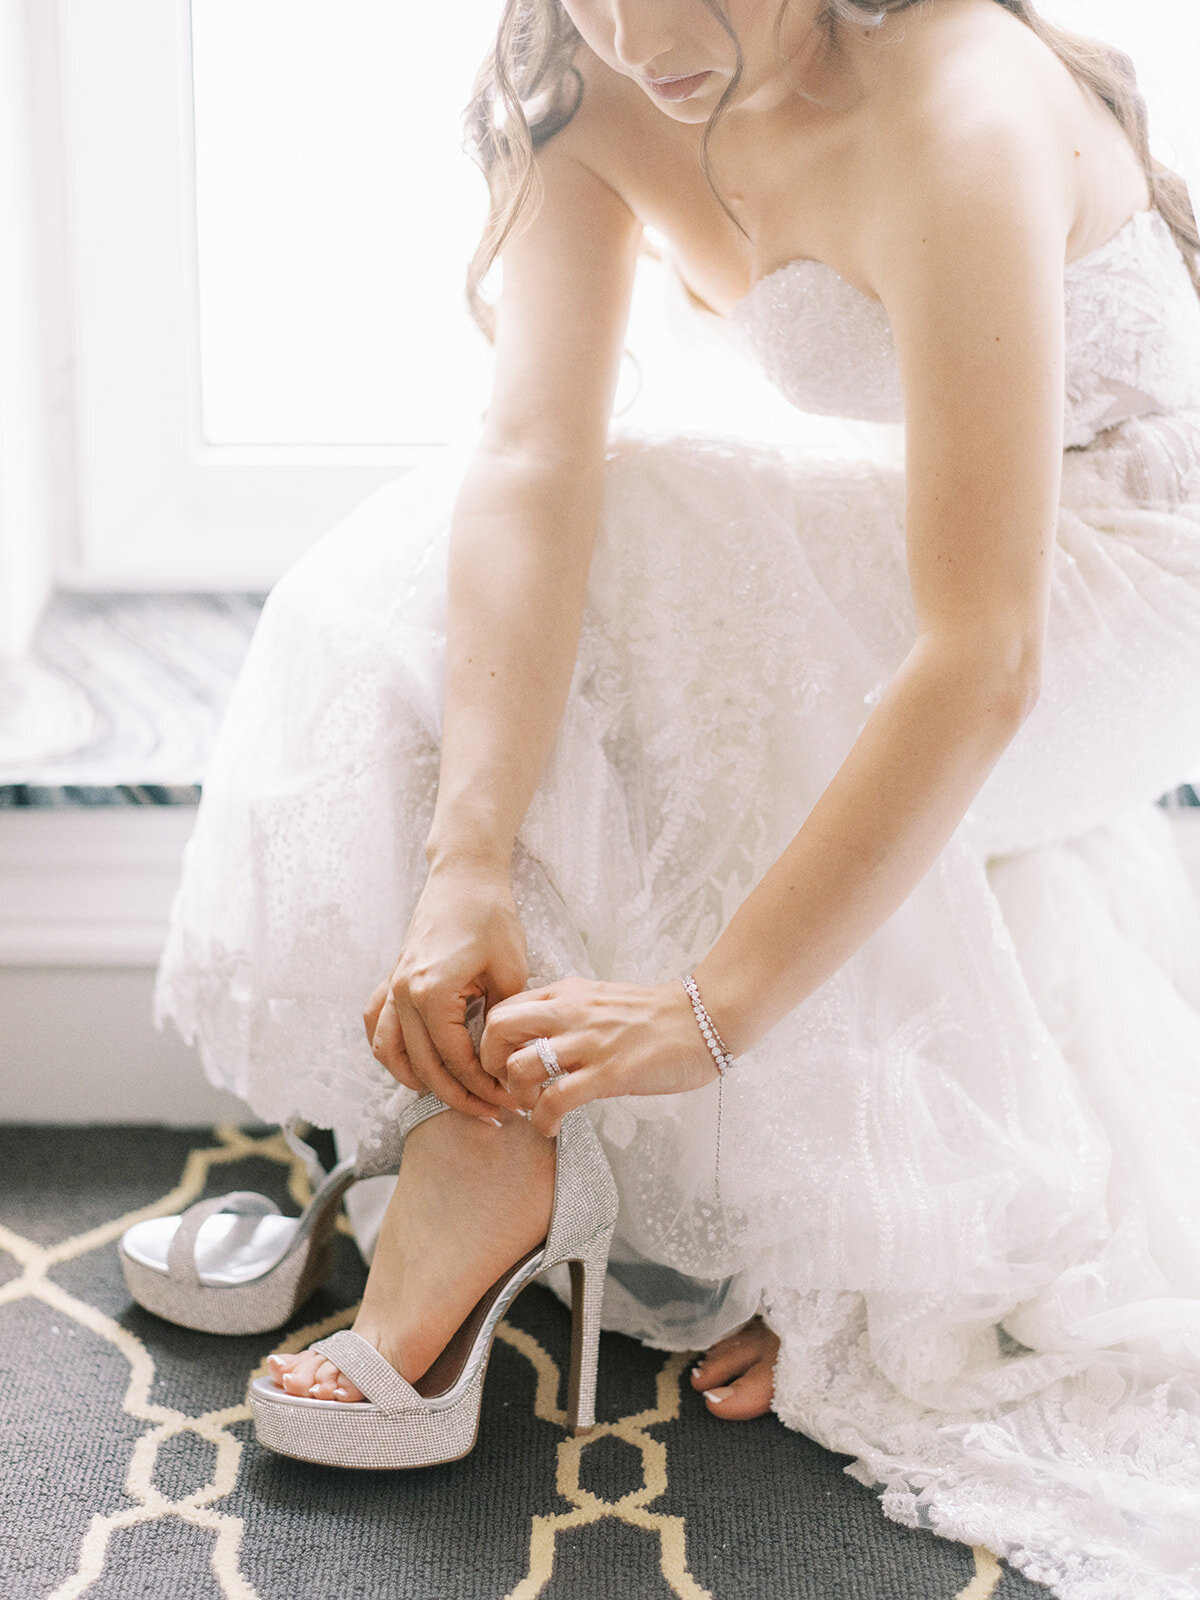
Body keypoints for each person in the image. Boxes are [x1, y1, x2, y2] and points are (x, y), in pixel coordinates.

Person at [152, 1, 1200, 1593]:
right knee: (475, 560)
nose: (635, 29)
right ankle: (492, 1121)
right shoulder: (596, 72)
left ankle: (501, 1164)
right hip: (961, 557)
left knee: (658, 549)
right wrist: (465, 866)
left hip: (1115, 599)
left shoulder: (962, 105)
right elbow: (528, 461)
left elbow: (985, 656)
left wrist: (708, 1013)